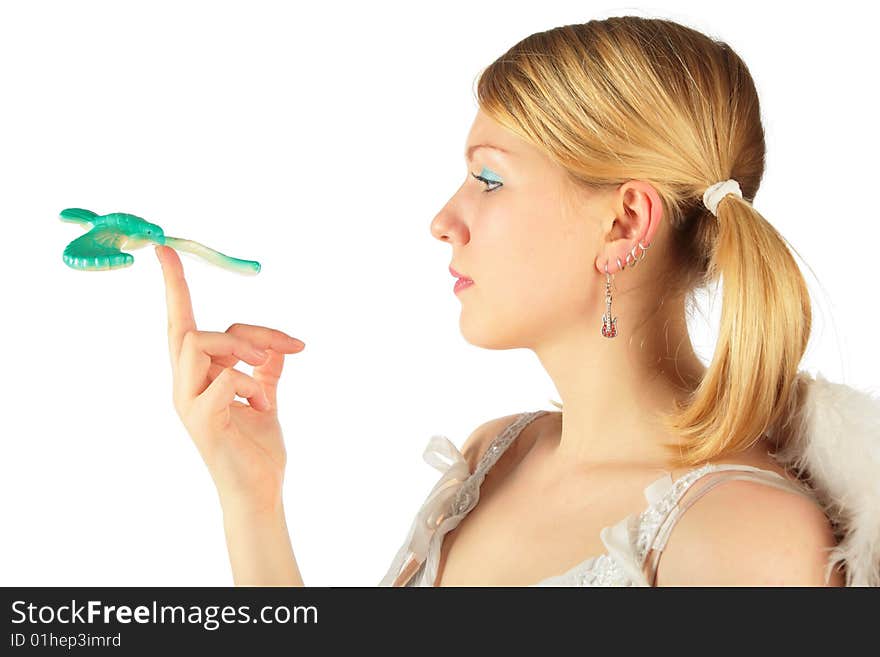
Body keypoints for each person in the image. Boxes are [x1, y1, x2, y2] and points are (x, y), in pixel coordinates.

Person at [156, 16, 877, 587]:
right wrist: (250, 499)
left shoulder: (747, 539)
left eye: (489, 178)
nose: (445, 219)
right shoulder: (494, 459)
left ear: (625, 222)